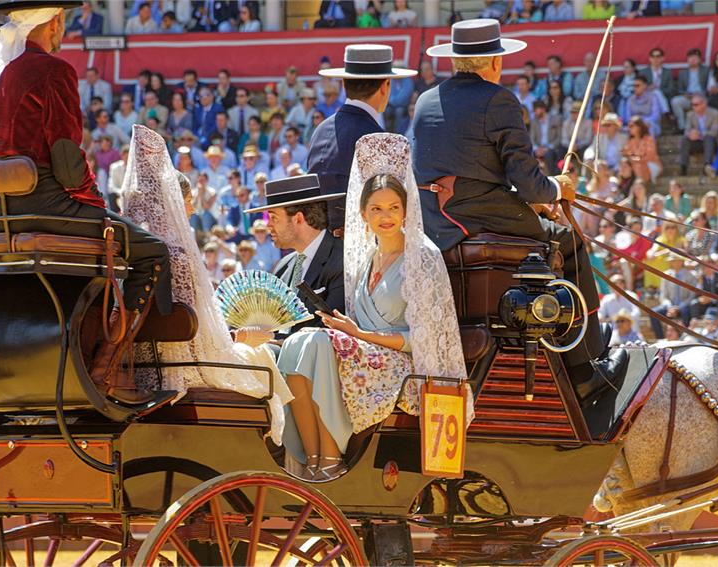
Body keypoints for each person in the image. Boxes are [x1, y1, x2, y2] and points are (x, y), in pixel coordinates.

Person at [413, 19, 630, 404]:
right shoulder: (498, 101)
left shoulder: (426, 101)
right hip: (478, 215)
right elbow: (529, 184)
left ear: (455, 62)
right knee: (569, 242)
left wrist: (537, 194)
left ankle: (575, 337)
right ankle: (586, 365)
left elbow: (471, 167)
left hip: (433, 220)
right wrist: (556, 189)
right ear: (494, 62)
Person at [0, 1, 171, 405]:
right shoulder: (53, 70)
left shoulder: (2, 72)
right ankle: (105, 371)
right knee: (152, 252)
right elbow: (69, 166)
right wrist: (99, 203)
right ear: (53, 22)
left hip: (2, 215)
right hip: (48, 208)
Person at [276, 134, 470, 480]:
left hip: (403, 368)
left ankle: (333, 454)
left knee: (317, 343)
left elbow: (420, 340)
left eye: (394, 208)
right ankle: (314, 456)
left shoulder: (423, 258)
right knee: (296, 343)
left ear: (406, 210)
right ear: (363, 213)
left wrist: (362, 334)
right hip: (364, 352)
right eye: (377, 209)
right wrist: (347, 329)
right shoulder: (364, 258)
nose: (386, 217)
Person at [122, 126, 292, 442]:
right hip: (184, 367)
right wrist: (235, 340)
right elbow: (193, 326)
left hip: (141, 366)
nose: (191, 211)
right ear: (175, 201)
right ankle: (283, 450)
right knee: (268, 356)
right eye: (187, 204)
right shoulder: (178, 254)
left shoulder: (128, 248)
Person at [308, 44, 416, 233]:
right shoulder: (378, 139)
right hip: (360, 249)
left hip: (320, 246)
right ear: (385, 86)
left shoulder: (320, 130)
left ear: (344, 83)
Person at [247, 174, 345, 332]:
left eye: (273, 217)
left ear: (298, 219)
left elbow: (332, 331)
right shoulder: (284, 265)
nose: (268, 225)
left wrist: (273, 342)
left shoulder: (340, 261)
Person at [650, 254, 697, 338]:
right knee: (653, 313)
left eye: (676, 261)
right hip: (669, 306)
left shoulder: (691, 276)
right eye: (672, 261)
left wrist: (678, 307)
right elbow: (663, 295)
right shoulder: (666, 275)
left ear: (681, 262)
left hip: (684, 305)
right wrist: (670, 307)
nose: (674, 263)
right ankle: (660, 338)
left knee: (685, 312)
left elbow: (692, 296)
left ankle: (684, 338)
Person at [678, 94, 718, 176]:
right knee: (685, 140)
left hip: (712, 142)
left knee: (709, 138)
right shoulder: (690, 115)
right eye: (692, 104)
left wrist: (699, 135)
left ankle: (707, 165)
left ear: (704, 104)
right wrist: (690, 134)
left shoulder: (715, 113)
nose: (694, 107)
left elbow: (714, 131)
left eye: (696, 104)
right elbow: (686, 130)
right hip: (697, 142)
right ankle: (683, 166)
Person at [671, 48, 709, 131]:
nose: (692, 60)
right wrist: (685, 94)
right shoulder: (683, 72)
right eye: (690, 58)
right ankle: (682, 127)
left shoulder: (706, 71)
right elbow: (680, 89)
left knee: (701, 101)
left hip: (702, 96)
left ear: (699, 60)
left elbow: (708, 86)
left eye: (695, 58)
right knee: (675, 101)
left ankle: (700, 128)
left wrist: (699, 94)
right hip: (688, 97)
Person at [623, 115, 661, 183]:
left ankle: (640, 186)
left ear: (639, 127)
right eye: (628, 126)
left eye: (631, 126)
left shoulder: (649, 139)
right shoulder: (630, 141)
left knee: (639, 166)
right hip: (635, 166)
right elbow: (626, 154)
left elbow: (650, 156)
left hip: (651, 165)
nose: (629, 128)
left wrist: (636, 160)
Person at [640, 47, 675, 115]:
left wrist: (659, 90)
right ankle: (666, 111)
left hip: (663, 96)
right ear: (650, 58)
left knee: (657, 92)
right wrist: (648, 88)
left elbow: (671, 89)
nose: (655, 59)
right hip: (648, 96)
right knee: (655, 93)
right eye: (653, 56)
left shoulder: (667, 72)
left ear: (662, 58)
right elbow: (639, 88)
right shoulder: (643, 72)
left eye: (658, 56)